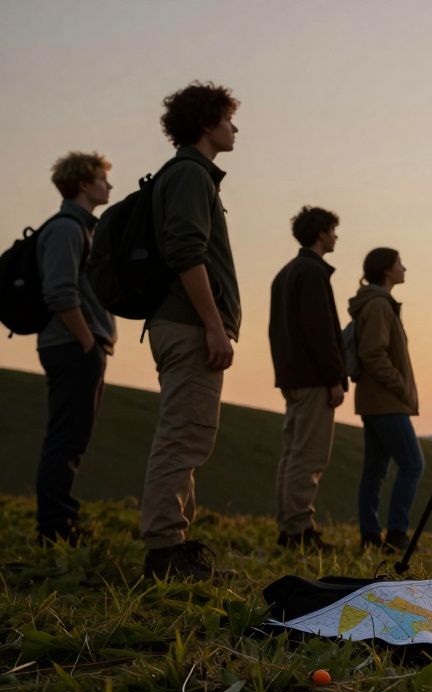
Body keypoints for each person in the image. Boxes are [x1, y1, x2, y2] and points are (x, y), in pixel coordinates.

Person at [140, 82, 242, 581]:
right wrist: (214, 326)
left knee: (188, 436)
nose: (234, 127)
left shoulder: (191, 175)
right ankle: (164, 552)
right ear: (207, 123)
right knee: (182, 437)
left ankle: (178, 548)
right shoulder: (188, 176)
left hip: (182, 324)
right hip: (188, 325)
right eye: (228, 118)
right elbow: (186, 253)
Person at [33, 151, 117, 546]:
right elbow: (60, 292)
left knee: (70, 436)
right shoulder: (68, 229)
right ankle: (54, 527)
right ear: (84, 184)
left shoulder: (80, 227)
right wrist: (87, 342)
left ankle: (59, 521)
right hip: (72, 345)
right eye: (102, 178)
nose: (108, 185)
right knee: (66, 438)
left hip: (74, 345)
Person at [268, 206, 347, 551]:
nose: (335, 236)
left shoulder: (286, 273)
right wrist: (335, 377)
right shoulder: (312, 273)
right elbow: (320, 332)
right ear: (321, 234)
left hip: (293, 377)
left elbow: (277, 331)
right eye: (332, 230)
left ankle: (289, 527)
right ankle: (300, 530)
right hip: (314, 378)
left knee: (293, 452)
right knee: (310, 456)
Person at [347, 247, 423, 551]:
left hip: (375, 400)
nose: (404, 268)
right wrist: (401, 386)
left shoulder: (377, 303)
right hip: (386, 400)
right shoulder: (379, 306)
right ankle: (396, 534)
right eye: (400, 264)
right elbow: (372, 353)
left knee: (375, 469)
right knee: (412, 464)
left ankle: (369, 534)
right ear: (387, 270)